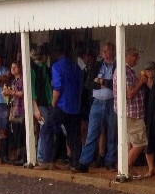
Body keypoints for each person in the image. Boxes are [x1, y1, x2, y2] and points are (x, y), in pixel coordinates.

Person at [36, 43, 82, 170]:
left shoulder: (57, 66)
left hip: (61, 105)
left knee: (46, 130)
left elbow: (57, 87)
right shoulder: (76, 67)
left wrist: (53, 104)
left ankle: (47, 160)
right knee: (73, 135)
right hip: (74, 106)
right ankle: (75, 162)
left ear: (57, 53)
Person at [74, 42, 117, 172]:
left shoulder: (117, 66)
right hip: (97, 102)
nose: (104, 53)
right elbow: (89, 84)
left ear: (113, 52)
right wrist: (102, 84)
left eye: (107, 50)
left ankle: (110, 161)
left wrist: (102, 81)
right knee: (92, 133)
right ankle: (84, 162)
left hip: (112, 102)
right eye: (103, 51)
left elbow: (116, 84)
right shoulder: (96, 65)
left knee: (112, 133)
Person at [110, 47, 148, 177]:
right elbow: (129, 94)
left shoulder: (125, 71)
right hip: (132, 113)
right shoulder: (124, 72)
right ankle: (124, 167)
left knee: (129, 143)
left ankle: (128, 169)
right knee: (140, 142)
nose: (137, 59)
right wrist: (141, 81)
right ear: (127, 56)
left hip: (127, 113)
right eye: (135, 56)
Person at [8, 60, 27, 164]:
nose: (13, 69)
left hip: (21, 109)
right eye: (12, 67)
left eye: (15, 67)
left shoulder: (22, 80)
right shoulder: (13, 81)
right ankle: (20, 155)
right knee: (16, 133)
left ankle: (24, 157)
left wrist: (12, 92)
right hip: (14, 109)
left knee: (21, 133)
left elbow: (23, 93)